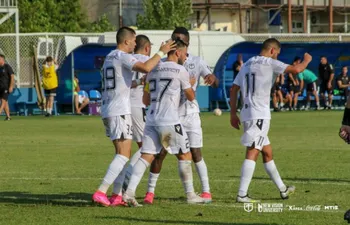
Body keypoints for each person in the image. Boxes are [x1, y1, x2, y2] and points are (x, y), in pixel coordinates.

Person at [92, 27, 176, 207]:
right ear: (126, 41)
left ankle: (116, 196)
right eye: (133, 40)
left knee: (123, 154)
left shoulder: (109, 57)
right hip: (119, 110)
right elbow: (146, 67)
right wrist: (162, 51)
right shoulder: (122, 56)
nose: (135, 44)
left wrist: (138, 82)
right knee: (123, 155)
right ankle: (101, 191)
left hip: (108, 108)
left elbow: (123, 82)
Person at [123, 38, 204, 207]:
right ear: (177, 52)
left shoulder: (152, 70)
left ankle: (129, 193)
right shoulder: (180, 70)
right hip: (169, 122)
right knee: (184, 154)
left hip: (152, 120)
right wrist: (189, 85)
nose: (185, 56)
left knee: (147, 155)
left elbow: (145, 100)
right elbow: (191, 97)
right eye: (184, 53)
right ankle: (190, 194)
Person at [230, 38, 312, 203]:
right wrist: (307, 60)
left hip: (247, 114)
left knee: (267, 152)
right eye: (277, 54)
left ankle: (283, 189)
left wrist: (233, 113)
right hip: (259, 115)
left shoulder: (247, 63)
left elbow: (234, 89)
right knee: (253, 151)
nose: (277, 57)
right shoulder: (269, 62)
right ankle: (242, 194)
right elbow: (297, 69)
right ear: (273, 50)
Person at [142, 27, 219, 205]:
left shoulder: (197, 61)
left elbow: (213, 80)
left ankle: (206, 191)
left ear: (187, 43)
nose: (176, 40)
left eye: (180, 38)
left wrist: (213, 79)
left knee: (195, 152)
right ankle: (149, 192)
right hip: (171, 117)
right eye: (174, 38)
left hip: (190, 116)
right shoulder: (162, 62)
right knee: (160, 153)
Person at [0, 54, 15, 121]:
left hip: (6, 87)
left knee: (3, 101)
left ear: (2, 60)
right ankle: (8, 117)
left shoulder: (7, 67)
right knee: (5, 102)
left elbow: (12, 76)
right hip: (0, 87)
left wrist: (11, 86)